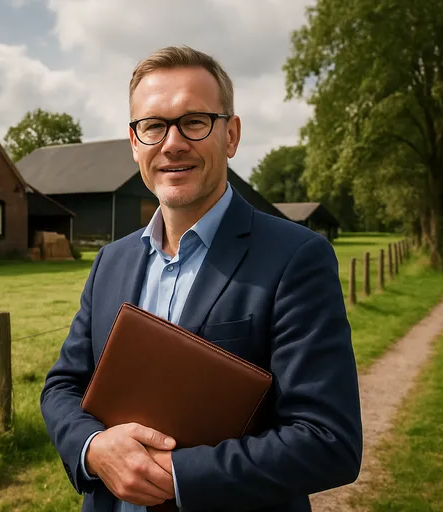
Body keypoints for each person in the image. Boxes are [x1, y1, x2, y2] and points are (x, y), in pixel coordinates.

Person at [39, 45, 362, 512]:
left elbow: (328, 440)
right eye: (153, 125)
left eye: (194, 121)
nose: (172, 143)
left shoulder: (297, 258)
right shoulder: (110, 260)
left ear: (231, 135)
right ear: (135, 143)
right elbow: (63, 387)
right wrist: (93, 448)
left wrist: (179, 476)